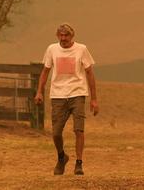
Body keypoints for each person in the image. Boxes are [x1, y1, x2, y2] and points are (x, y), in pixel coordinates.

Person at [34, 23, 99, 176]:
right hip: (58, 95)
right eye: (61, 35)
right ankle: (62, 157)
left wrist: (94, 99)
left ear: (72, 36)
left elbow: (89, 73)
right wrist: (39, 92)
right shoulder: (52, 49)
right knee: (56, 133)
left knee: (79, 129)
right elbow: (45, 72)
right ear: (58, 36)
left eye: (66, 35)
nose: (63, 38)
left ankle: (79, 163)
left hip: (77, 93)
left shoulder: (81, 49)